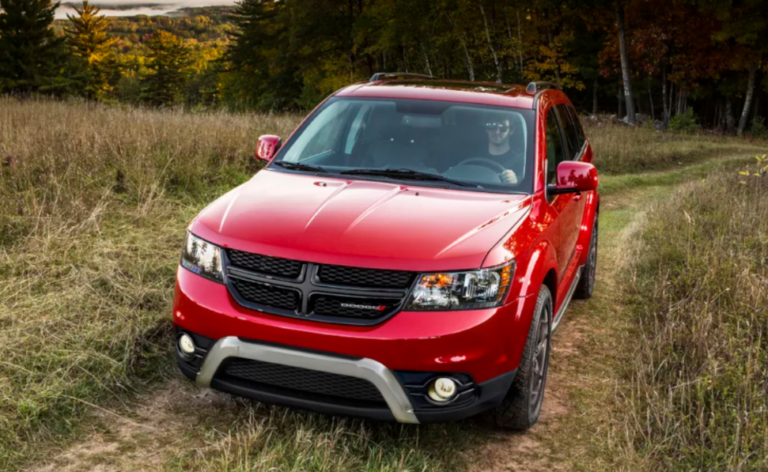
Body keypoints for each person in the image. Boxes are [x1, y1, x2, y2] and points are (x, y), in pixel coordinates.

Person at [484, 112, 525, 184]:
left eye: (503, 127)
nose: (497, 131)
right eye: (492, 126)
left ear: (511, 131)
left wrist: (516, 180)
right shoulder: (474, 158)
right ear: (486, 129)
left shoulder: (521, 162)